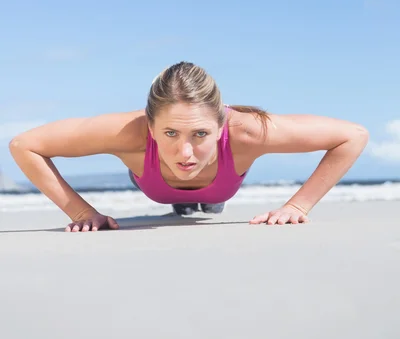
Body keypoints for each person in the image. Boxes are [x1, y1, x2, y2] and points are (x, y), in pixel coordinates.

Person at [9, 61, 369, 231]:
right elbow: (24, 145)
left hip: (220, 185)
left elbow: (353, 135)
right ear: (150, 127)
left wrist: (298, 205)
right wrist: (80, 212)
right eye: (169, 134)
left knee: (211, 203)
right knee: (185, 196)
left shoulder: (247, 132)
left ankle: (206, 198)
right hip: (150, 184)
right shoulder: (127, 132)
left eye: (200, 135)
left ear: (220, 125)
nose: (185, 153)